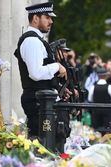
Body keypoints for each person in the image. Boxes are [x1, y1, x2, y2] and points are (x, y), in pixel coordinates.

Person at [14, 2, 67, 138]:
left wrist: (59, 87)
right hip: (37, 101)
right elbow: (36, 73)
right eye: (47, 17)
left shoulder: (37, 40)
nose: (51, 21)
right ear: (35, 18)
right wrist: (57, 66)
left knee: (50, 142)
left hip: (42, 100)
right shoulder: (32, 40)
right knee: (43, 144)